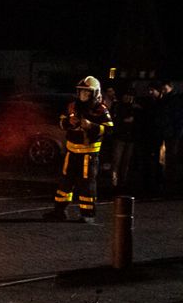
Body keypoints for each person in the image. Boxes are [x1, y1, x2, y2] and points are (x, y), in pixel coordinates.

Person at [43, 76, 113, 223]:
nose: (83, 95)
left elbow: (109, 130)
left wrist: (91, 126)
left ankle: (88, 215)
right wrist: (69, 121)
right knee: (65, 183)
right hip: (71, 151)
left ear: (94, 93)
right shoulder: (72, 106)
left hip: (89, 154)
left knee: (87, 185)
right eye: (81, 92)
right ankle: (59, 211)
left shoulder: (101, 109)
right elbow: (61, 122)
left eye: (87, 92)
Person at [107, 86, 136, 190]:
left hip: (130, 138)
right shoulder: (118, 106)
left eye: (130, 96)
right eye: (126, 96)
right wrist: (123, 121)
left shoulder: (134, 108)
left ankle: (123, 183)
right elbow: (113, 120)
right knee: (116, 161)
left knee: (126, 162)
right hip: (119, 137)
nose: (128, 98)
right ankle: (114, 183)